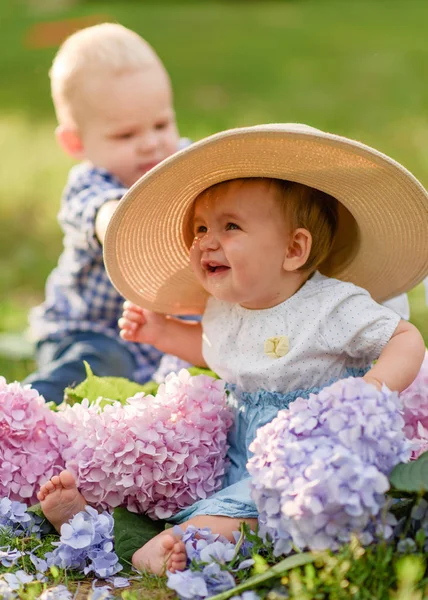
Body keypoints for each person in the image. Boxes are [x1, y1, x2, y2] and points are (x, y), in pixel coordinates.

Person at [37, 123, 428, 574]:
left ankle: (182, 542)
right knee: (181, 484)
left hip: (307, 452)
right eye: (201, 227)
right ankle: (100, 522)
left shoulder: (334, 305)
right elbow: (218, 352)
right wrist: (162, 333)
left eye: (230, 226)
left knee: (256, 512)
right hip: (239, 445)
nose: (206, 240)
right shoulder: (225, 309)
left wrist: (372, 392)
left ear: (294, 249)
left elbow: (405, 337)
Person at [24, 23, 191, 404]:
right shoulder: (89, 185)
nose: (151, 144)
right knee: (101, 365)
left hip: (164, 338)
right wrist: (136, 221)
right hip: (90, 333)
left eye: (161, 124)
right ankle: (23, 414)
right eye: (126, 135)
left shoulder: (182, 162)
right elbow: (107, 219)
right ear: (75, 141)